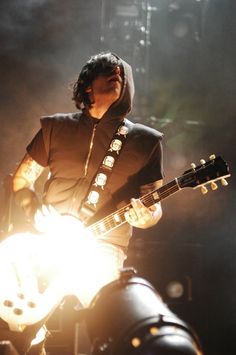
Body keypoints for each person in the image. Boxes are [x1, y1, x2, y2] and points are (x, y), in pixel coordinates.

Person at [10, 52, 164, 352]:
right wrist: (33, 209)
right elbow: (21, 181)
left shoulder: (146, 141)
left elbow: (154, 208)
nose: (117, 72)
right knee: (20, 329)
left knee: (108, 330)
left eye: (121, 71)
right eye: (107, 69)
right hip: (45, 243)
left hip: (103, 247)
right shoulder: (55, 128)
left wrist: (144, 217)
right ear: (86, 85)